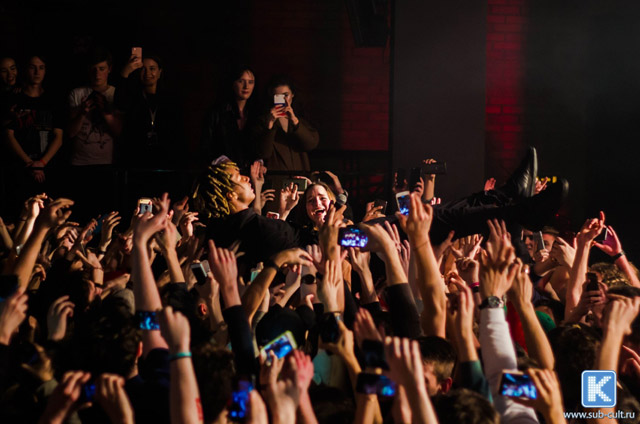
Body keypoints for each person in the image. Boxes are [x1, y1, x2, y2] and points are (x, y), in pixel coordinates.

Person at [3, 54, 63, 209]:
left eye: (41, 68)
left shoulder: (52, 99)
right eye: (32, 67)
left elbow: (59, 136)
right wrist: (30, 164)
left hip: (47, 169)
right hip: (19, 169)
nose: (37, 72)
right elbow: (8, 135)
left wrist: (41, 164)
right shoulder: (13, 98)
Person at [116, 52, 184, 169]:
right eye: (143, 69)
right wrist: (125, 72)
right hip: (138, 160)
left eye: (152, 69)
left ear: (160, 72)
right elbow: (119, 103)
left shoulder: (170, 99)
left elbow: (177, 133)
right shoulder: (134, 97)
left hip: (165, 160)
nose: (147, 73)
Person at [254, 75, 319, 171]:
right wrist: (270, 126)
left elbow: (311, 144)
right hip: (275, 176)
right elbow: (263, 153)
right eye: (278, 96)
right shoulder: (263, 120)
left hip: (300, 175)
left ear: (292, 95)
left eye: (286, 95)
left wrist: (295, 121)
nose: (283, 100)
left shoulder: (300, 120)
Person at [201, 65, 258, 168]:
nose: (246, 86)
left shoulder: (256, 113)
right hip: (223, 174)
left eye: (250, 82)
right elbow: (206, 146)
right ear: (233, 83)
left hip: (249, 174)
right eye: (241, 81)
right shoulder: (216, 112)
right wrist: (222, 160)